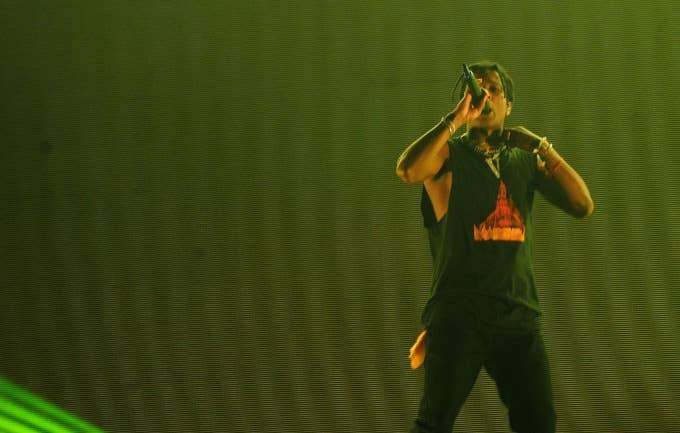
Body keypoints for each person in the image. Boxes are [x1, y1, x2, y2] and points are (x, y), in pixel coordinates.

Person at [396, 61, 593, 433]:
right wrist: (455, 119)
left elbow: (583, 205)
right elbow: (408, 170)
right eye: (477, 89)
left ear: (509, 105)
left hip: (517, 316)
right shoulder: (449, 155)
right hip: (460, 315)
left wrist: (540, 146)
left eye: (495, 90)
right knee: (434, 423)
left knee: (539, 422)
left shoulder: (524, 162)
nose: (485, 96)